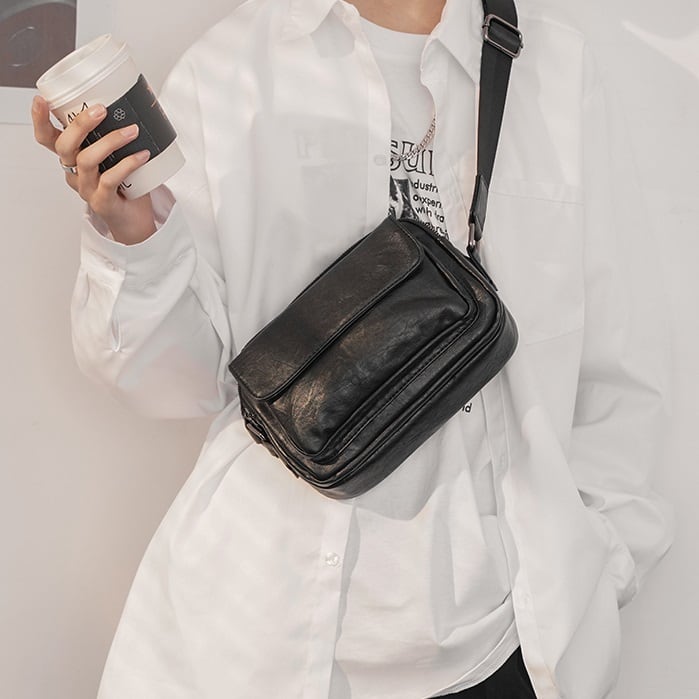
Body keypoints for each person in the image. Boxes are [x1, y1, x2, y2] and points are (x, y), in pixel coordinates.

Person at [32, 0, 673, 697]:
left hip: (503, 643)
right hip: (257, 636)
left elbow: (620, 368)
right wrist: (131, 232)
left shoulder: (557, 71)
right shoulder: (231, 69)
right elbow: (176, 383)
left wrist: (593, 573)